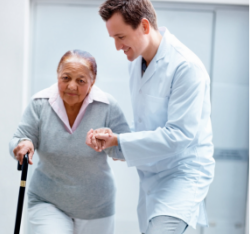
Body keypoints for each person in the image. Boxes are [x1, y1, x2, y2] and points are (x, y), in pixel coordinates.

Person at [86, 1, 215, 234]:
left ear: (144, 26)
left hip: (181, 177)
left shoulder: (186, 67)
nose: (117, 46)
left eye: (121, 37)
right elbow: (146, 127)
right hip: (150, 180)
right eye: (113, 38)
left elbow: (179, 136)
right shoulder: (135, 65)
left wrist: (120, 141)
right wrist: (113, 144)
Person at [9, 50, 130, 234]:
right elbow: (18, 139)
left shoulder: (106, 106)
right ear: (57, 75)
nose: (71, 86)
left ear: (92, 82)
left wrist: (111, 141)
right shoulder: (40, 103)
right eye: (65, 78)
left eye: (81, 81)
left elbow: (127, 148)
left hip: (96, 206)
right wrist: (24, 144)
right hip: (48, 200)